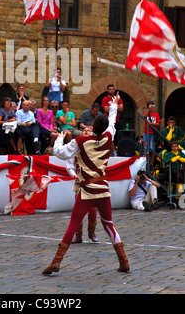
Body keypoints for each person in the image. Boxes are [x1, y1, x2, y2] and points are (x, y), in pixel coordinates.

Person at [42, 92, 130, 275]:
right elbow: (111, 123)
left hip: (87, 191)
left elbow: (60, 153)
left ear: (92, 126)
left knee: (73, 225)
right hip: (103, 190)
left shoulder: (80, 141)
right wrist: (113, 106)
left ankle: (56, 262)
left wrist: (59, 137)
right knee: (109, 225)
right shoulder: (108, 138)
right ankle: (123, 261)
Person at [66, 158, 98, 243]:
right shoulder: (75, 148)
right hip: (80, 183)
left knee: (92, 208)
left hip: (92, 181)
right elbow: (69, 165)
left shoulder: (92, 149)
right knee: (79, 208)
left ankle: (92, 232)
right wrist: (74, 175)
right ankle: (78, 234)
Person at [101, 84, 123, 156]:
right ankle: (112, 151)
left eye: (112, 89)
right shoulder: (105, 99)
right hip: (108, 120)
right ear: (107, 90)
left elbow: (121, 108)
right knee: (109, 135)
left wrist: (113, 105)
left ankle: (119, 151)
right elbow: (106, 109)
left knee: (118, 136)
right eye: (110, 89)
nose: (111, 90)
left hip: (116, 120)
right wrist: (116, 105)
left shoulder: (117, 98)